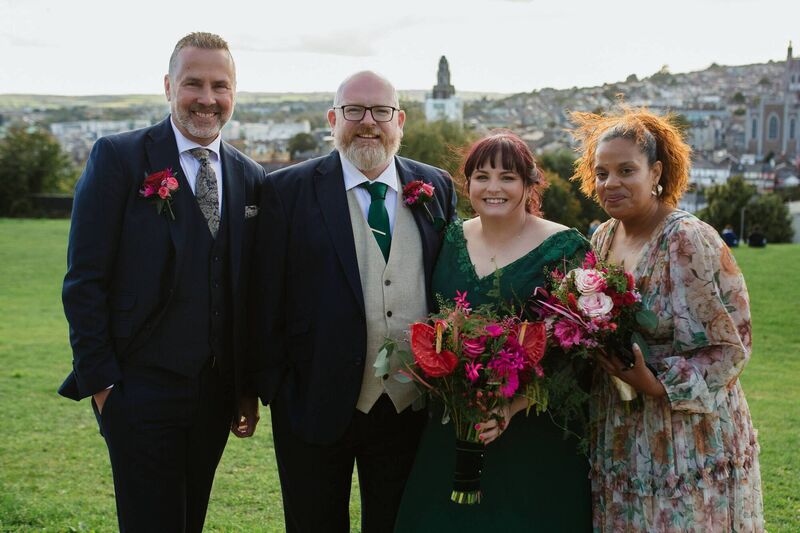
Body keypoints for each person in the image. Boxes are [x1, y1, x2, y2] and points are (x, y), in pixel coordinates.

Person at [59, 32, 265, 532]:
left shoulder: (250, 175)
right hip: (136, 390)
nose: (207, 98)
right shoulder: (119, 158)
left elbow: (247, 292)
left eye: (221, 85)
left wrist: (244, 390)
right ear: (168, 85)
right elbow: (85, 281)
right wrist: (104, 385)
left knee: (189, 519)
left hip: (215, 396)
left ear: (235, 92)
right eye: (193, 83)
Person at [247, 71, 458, 532]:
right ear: (333, 118)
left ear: (399, 120)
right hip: (312, 402)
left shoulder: (436, 186)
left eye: (381, 111)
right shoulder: (285, 190)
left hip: (410, 405)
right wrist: (276, 387)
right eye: (354, 111)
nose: (368, 122)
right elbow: (262, 296)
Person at [570, 107, 764, 531]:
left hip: (684, 438)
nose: (611, 183)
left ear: (656, 171)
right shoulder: (602, 237)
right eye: (601, 173)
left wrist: (656, 383)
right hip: (620, 428)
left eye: (626, 170)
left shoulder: (686, 239)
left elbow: (732, 346)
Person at [394, 131, 592, 532]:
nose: (493, 187)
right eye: (481, 176)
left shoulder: (565, 247)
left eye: (508, 176)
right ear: (467, 185)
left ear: (529, 184)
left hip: (533, 433)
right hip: (453, 430)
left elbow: (578, 349)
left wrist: (510, 408)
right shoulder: (450, 240)